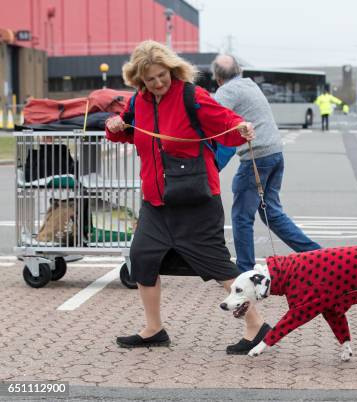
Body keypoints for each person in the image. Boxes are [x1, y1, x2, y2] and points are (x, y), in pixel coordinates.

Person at [105, 40, 269, 355]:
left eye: (162, 75)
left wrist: (242, 128)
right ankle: (153, 329)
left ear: (172, 69)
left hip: (196, 198)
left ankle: (256, 324)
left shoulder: (191, 95)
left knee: (218, 266)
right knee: (142, 257)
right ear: (140, 81)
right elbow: (127, 130)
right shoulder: (138, 102)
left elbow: (226, 122)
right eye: (150, 79)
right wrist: (113, 127)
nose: (158, 83)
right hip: (156, 200)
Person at [210, 54, 321, 273]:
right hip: (275, 153)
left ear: (217, 78)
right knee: (272, 214)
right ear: (239, 70)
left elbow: (208, 116)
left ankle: (245, 270)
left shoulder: (226, 92)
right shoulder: (250, 85)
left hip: (256, 158)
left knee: (242, 216)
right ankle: (318, 256)